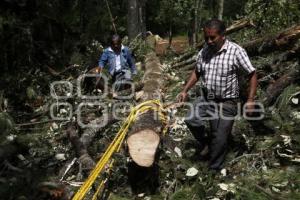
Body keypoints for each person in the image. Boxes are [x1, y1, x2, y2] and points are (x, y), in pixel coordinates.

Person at [177, 19, 258, 171]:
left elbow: (252, 74)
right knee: (191, 119)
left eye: (212, 37)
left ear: (223, 35)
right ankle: (207, 142)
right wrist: (185, 90)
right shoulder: (204, 51)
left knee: (219, 137)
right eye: (206, 38)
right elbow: (197, 72)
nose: (208, 41)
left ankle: (214, 170)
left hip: (227, 102)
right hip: (207, 99)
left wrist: (250, 99)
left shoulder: (236, 51)